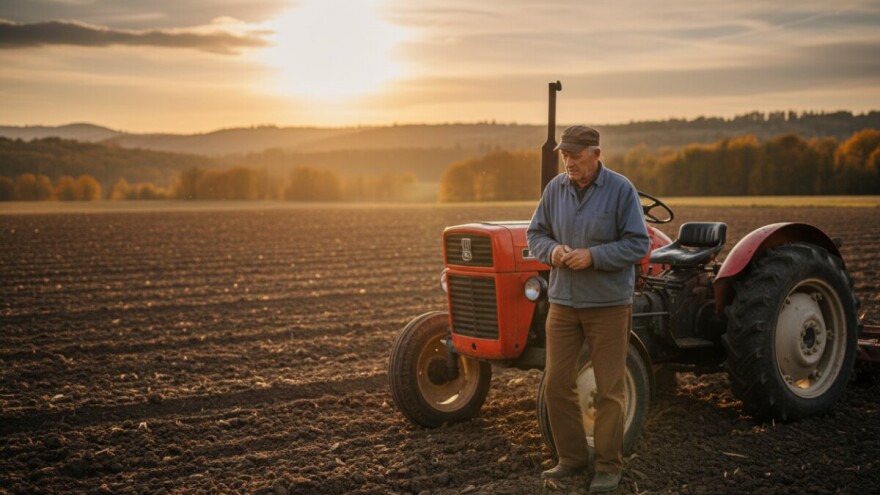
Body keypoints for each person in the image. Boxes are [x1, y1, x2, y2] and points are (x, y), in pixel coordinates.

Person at [527, 125, 650, 494]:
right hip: (563, 303)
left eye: (576, 157)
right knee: (556, 383)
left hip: (608, 306)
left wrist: (593, 257)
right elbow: (536, 234)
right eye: (565, 155)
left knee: (609, 389)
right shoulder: (555, 189)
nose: (569, 163)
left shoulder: (620, 189)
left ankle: (609, 466)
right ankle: (572, 458)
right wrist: (553, 252)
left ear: (596, 154)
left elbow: (637, 244)